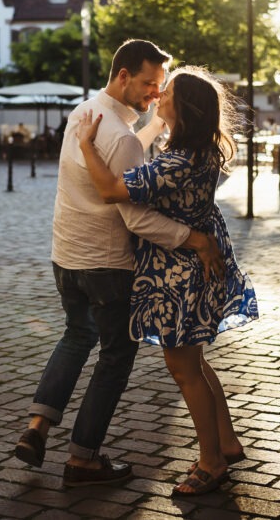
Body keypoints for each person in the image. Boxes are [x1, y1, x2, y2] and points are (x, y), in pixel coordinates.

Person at [13, 39, 224, 488]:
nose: (154, 93)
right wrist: (194, 239)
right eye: (149, 83)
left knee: (75, 336)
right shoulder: (125, 139)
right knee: (114, 357)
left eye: (161, 86)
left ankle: (37, 427)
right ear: (123, 75)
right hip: (108, 265)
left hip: (65, 256)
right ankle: (84, 458)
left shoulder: (84, 113)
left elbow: (129, 145)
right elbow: (135, 215)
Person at [76, 65, 258, 497]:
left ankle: (211, 462)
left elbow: (111, 190)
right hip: (195, 267)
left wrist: (87, 146)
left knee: (183, 369)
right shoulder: (201, 151)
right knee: (194, 362)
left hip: (178, 274)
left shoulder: (178, 161)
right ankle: (227, 441)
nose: (159, 93)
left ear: (186, 107)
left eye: (169, 91)